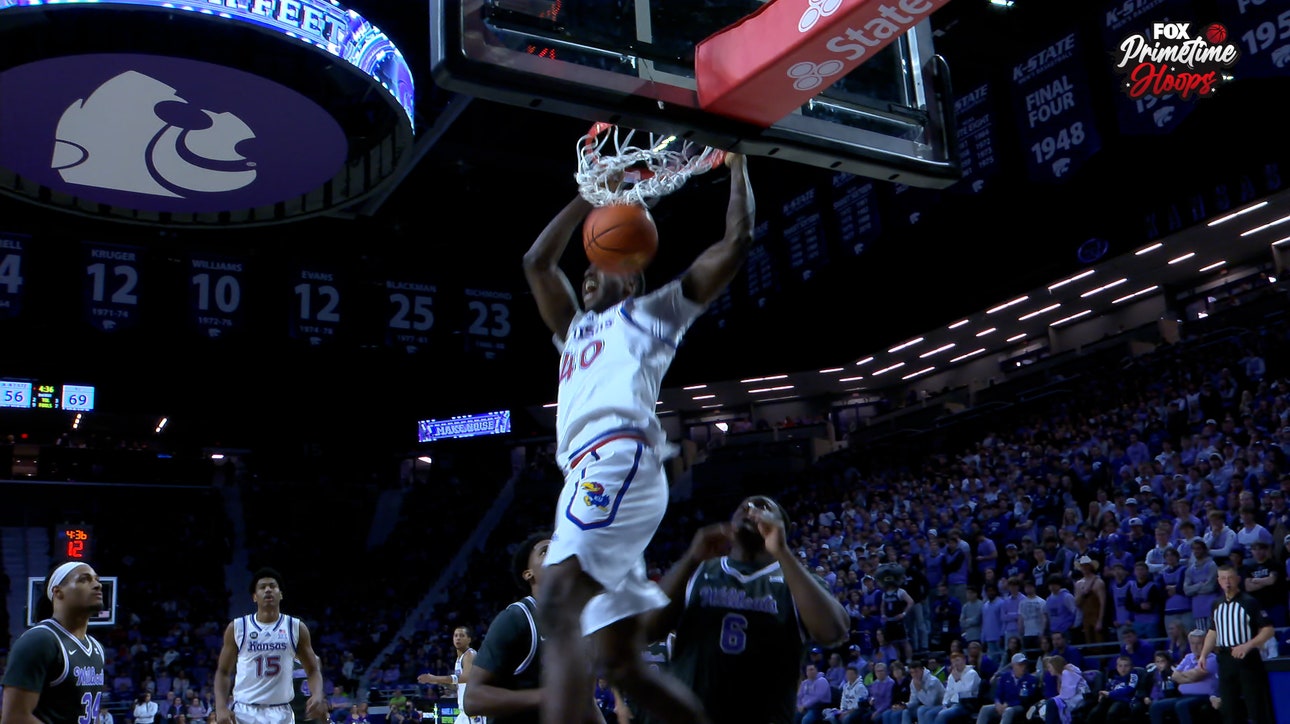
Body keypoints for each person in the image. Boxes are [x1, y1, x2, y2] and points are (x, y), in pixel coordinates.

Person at [523, 147, 755, 724]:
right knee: (620, 663)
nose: (584, 277)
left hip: (616, 459)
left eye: (595, 270)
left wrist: (738, 168)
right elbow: (536, 263)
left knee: (555, 596)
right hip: (586, 472)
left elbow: (734, 244)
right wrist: (592, 195)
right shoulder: (574, 330)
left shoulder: (654, 313)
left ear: (629, 271)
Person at [644, 495, 849, 724]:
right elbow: (647, 630)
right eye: (744, 506)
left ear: (780, 528)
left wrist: (782, 552)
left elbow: (834, 632)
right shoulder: (698, 570)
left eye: (763, 507)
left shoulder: (796, 581)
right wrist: (691, 557)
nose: (751, 509)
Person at [465, 531, 600, 724]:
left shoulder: (584, 625)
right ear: (529, 574)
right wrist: (545, 697)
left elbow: (586, 703)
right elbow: (472, 700)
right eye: (545, 551)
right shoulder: (516, 618)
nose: (556, 553)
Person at [213, 568, 328, 724]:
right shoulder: (238, 627)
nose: (268, 590)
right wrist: (220, 707)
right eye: (262, 587)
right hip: (245, 711)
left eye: (272, 586)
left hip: (281, 711)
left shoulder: (295, 627)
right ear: (255, 597)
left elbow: (313, 669)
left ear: (280, 594)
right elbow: (223, 672)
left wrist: (317, 694)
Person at [2, 562, 107, 724]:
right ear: (58, 592)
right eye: (84, 580)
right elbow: (14, 718)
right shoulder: (40, 641)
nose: (97, 585)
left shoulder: (97, 648)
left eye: (97, 579)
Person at [1197, 564, 1274, 724]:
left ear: (1238, 579)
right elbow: (1213, 631)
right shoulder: (1216, 604)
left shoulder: (1249, 602)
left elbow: (1268, 630)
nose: (1227, 582)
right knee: (1229, 708)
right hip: (1225, 659)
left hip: (1247, 659)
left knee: (1256, 705)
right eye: (1223, 578)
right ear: (1218, 581)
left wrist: (1247, 645)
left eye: (1230, 577)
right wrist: (1204, 654)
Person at [416, 626, 483, 724]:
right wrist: (438, 682)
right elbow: (458, 687)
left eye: (461, 635)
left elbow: (466, 678)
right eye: (455, 635)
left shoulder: (470, 655)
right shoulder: (459, 659)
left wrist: (436, 678)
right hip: (464, 711)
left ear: (469, 639)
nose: (458, 638)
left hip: (473, 711)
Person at [976, 653, 1038, 724]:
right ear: (1013, 665)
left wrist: (1008, 704)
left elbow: (1025, 699)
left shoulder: (1031, 679)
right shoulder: (1005, 677)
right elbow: (998, 693)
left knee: (1008, 710)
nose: (1023, 667)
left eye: (1024, 664)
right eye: (1020, 664)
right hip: (1003, 704)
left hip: (1019, 706)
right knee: (985, 709)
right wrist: (998, 703)